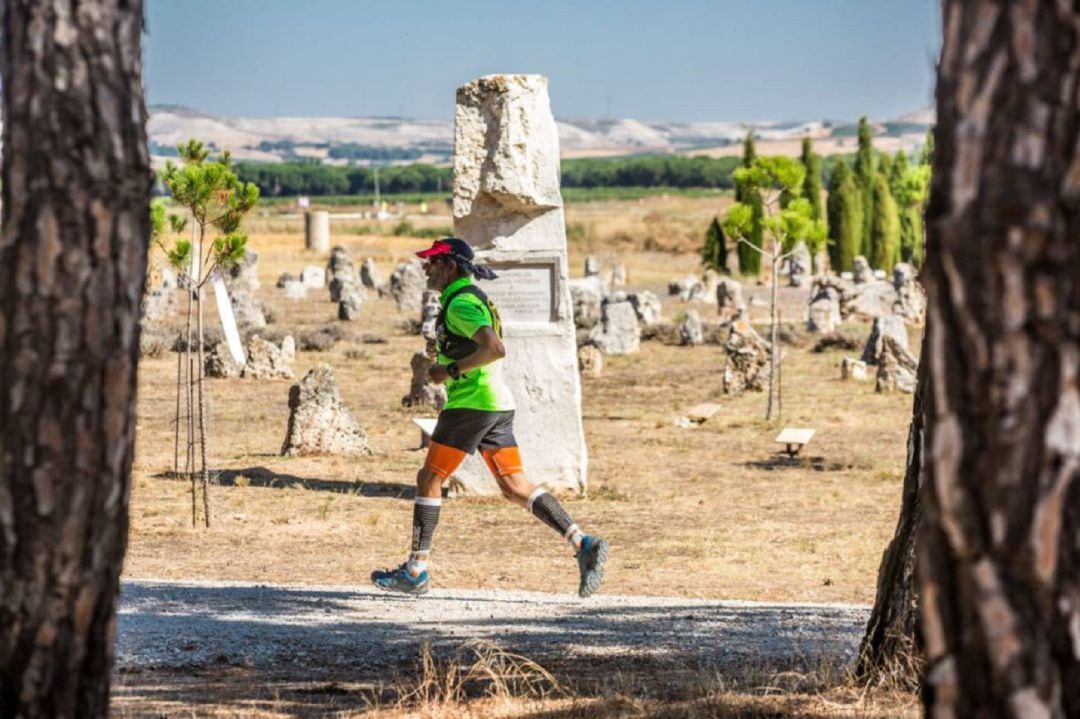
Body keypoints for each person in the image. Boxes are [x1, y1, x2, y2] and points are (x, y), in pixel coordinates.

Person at [372, 237, 608, 598]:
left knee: (429, 478)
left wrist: (449, 370)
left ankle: (416, 571)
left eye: (433, 262)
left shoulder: (461, 303)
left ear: (451, 266)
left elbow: (495, 349)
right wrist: (445, 348)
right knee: (514, 486)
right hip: (496, 403)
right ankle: (582, 542)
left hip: (472, 404)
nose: (425, 267)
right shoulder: (466, 298)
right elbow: (479, 342)